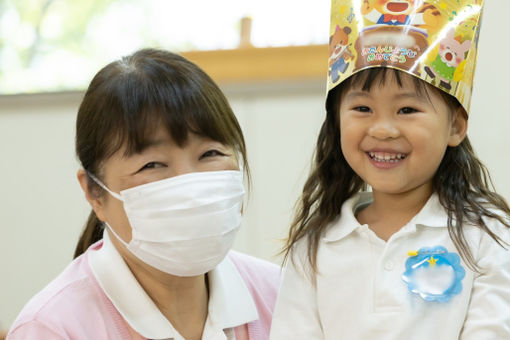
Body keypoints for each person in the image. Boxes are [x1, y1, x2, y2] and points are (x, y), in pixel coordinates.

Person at [270, 0, 510, 339]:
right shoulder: (314, 246)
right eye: (363, 107)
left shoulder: (486, 234)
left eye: (407, 109)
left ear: (455, 127)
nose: (382, 129)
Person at [7, 48, 280, 340]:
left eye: (210, 153)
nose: (190, 187)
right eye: (152, 165)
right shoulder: (52, 328)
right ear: (94, 193)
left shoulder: (279, 293)